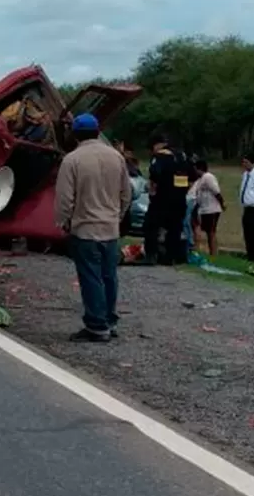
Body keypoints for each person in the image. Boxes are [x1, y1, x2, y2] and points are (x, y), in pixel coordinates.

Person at [55, 113, 131, 342]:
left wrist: (63, 221)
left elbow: (65, 198)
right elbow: (126, 194)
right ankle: (109, 320)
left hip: (85, 230)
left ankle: (97, 326)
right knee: (109, 277)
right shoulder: (116, 157)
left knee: (91, 278)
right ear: (98, 131)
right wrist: (117, 216)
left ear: (75, 134)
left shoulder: (72, 160)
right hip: (110, 229)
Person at [144, 133, 190, 265]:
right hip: (179, 199)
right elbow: (191, 176)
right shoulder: (182, 156)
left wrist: (152, 189)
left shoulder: (160, 156)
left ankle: (151, 255)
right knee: (175, 228)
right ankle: (171, 257)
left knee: (150, 226)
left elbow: (155, 174)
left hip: (162, 199)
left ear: (156, 145)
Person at [189, 159, 225, 260]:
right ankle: (210, 251)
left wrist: (222, 204)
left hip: (212, 209)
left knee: (211, 232)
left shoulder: (208, 177)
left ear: (199, 168)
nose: (195, 171)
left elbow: (216, 192)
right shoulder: (200, 179)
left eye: (196, 169)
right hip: (204, 209)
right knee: (207, 231)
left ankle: (214, 253)